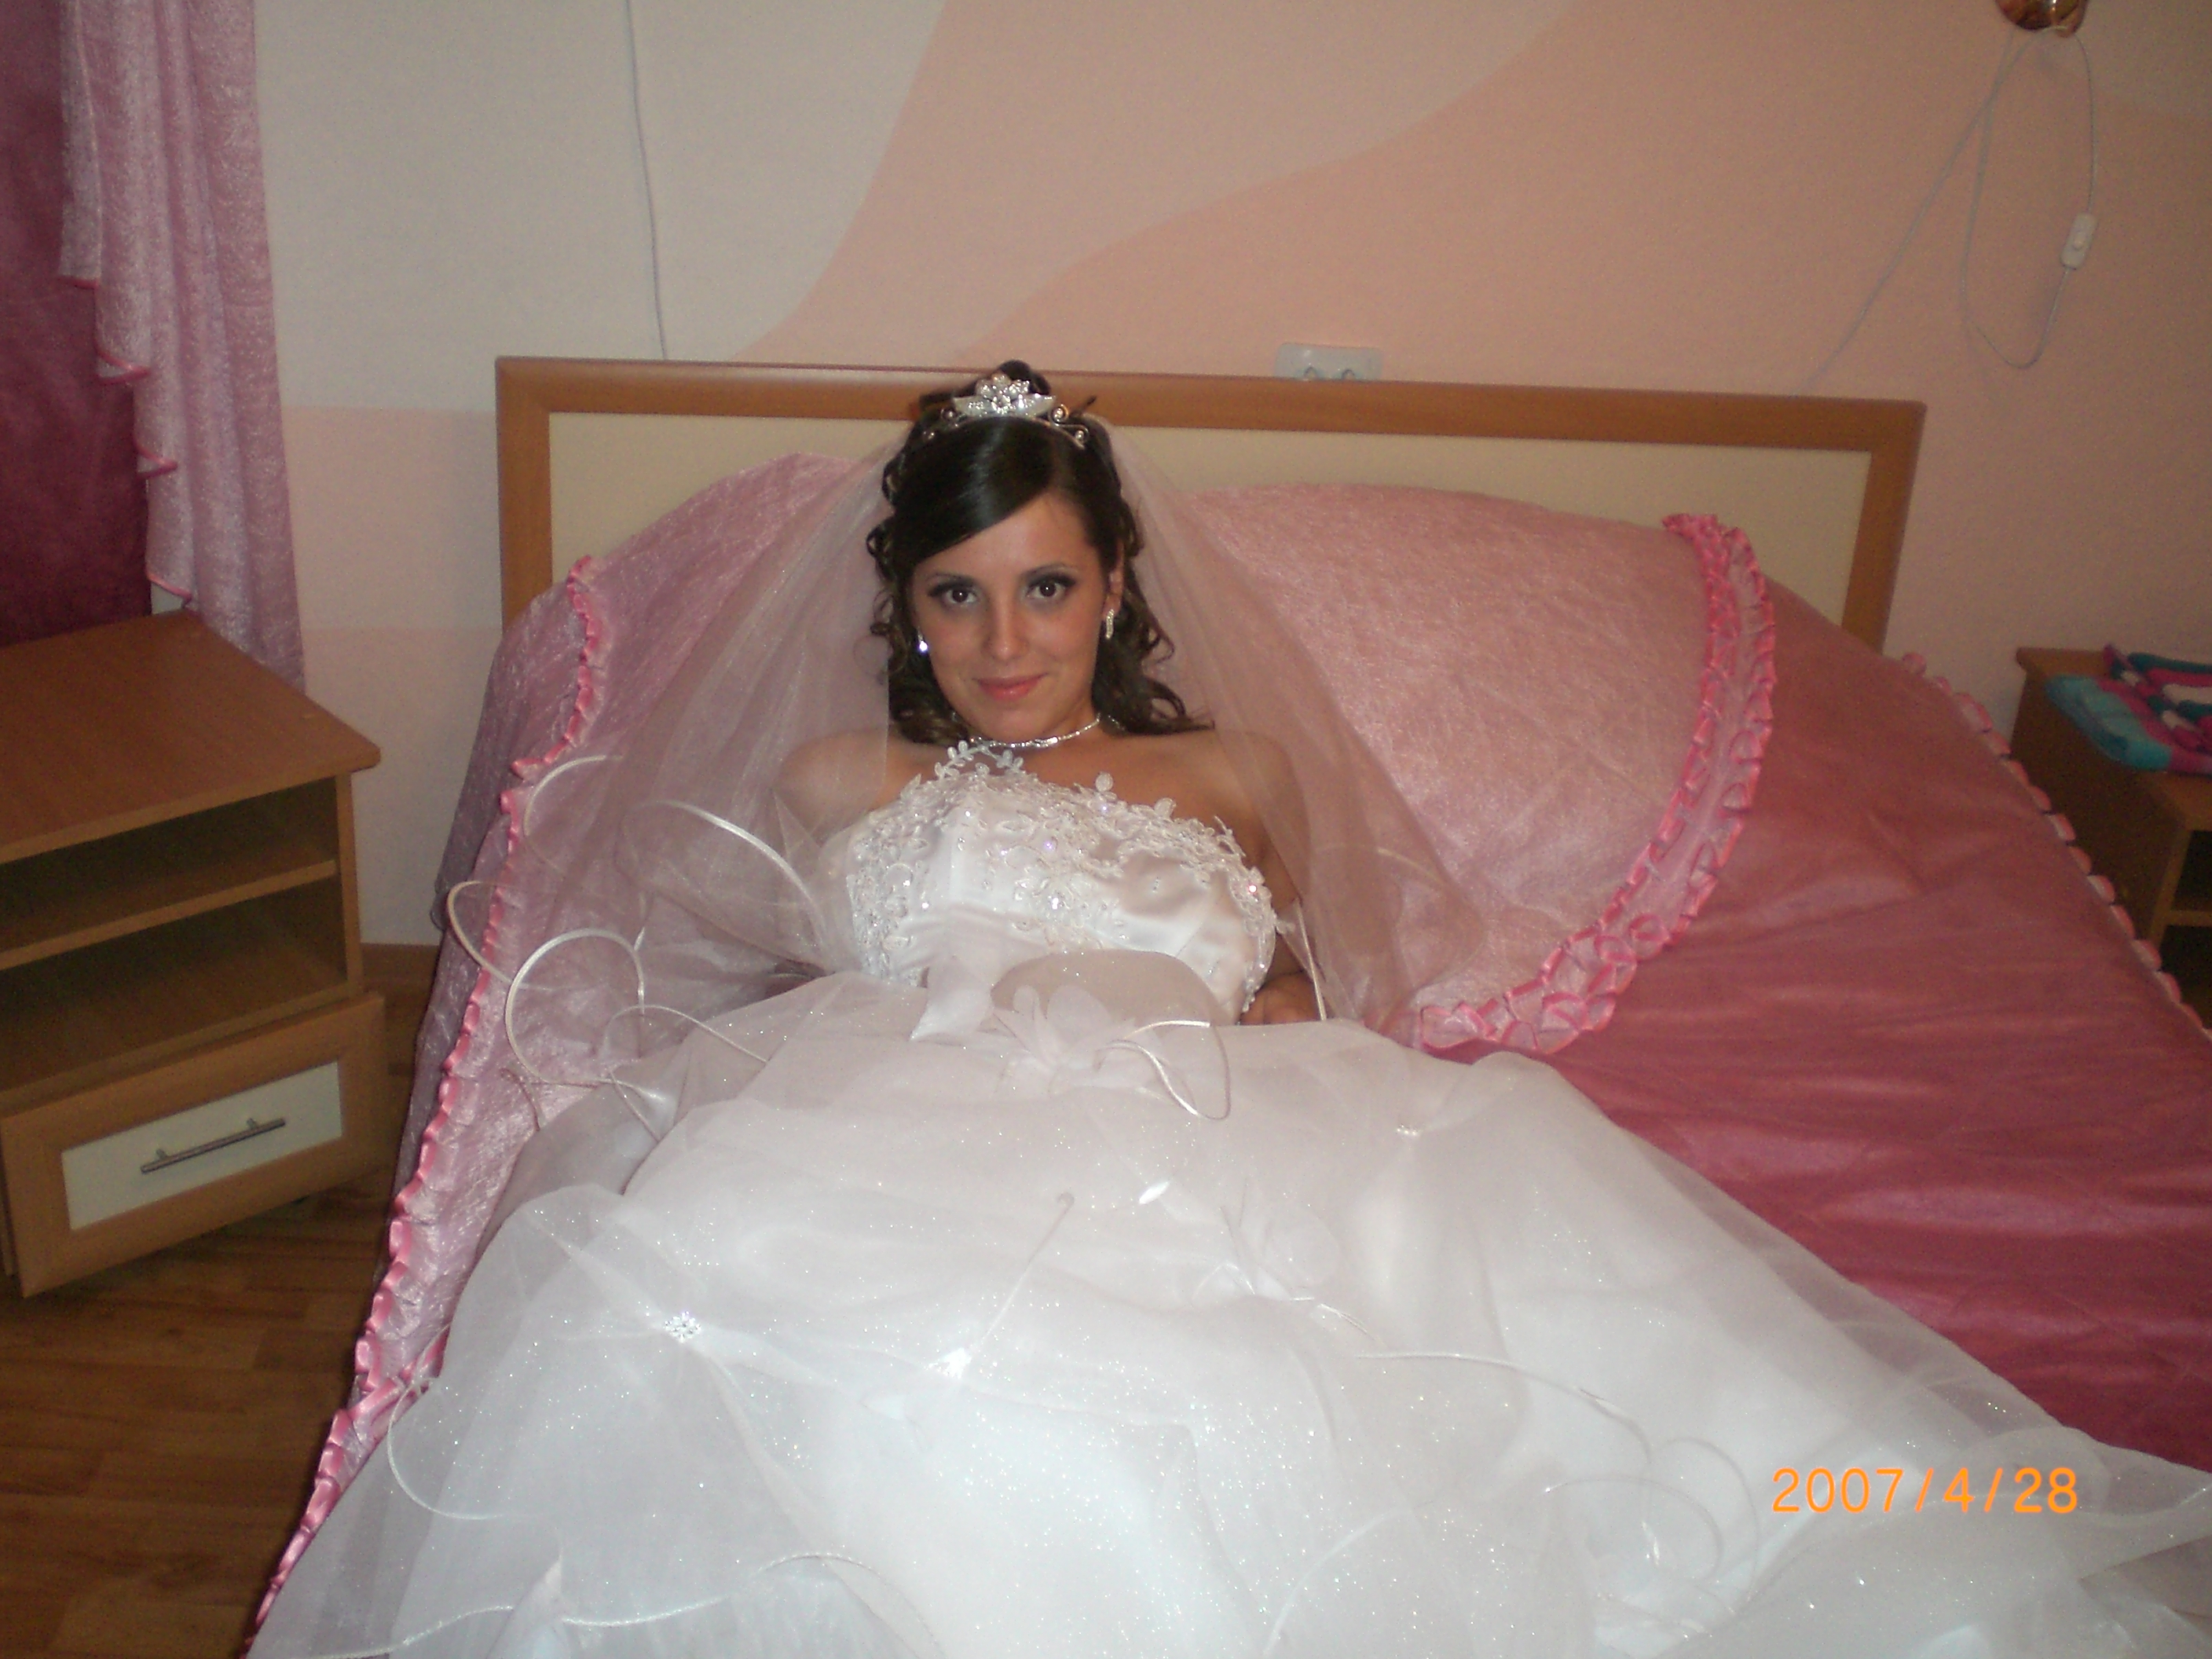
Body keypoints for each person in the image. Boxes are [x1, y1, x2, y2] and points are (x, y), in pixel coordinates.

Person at [255, 366, 2212, 1659]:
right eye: (956, 598)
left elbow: (1296, 986)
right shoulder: (842, 789)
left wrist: (1274, 1080)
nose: (1002, 645)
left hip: (1210, 1128)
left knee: (1498, 1367)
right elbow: (757, 962)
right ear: (903, 608)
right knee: (753, 1319)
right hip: (903, 1130)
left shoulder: (1239, 776)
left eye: (1044, 589)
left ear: (1115, 586)